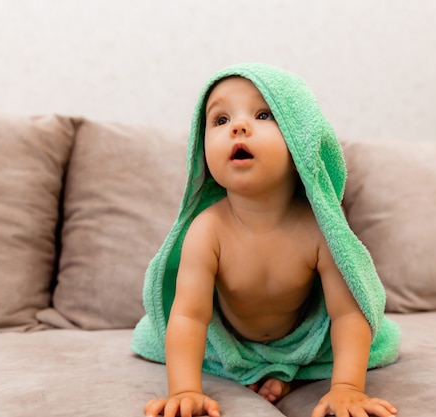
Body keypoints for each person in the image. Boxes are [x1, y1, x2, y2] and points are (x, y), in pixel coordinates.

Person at [131, 63, 401, 417]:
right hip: (230, 342)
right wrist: (184, 390)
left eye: (263, 114)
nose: (239, 127)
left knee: (374, 339)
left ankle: (289, 371)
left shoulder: (317, 229)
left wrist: (347, 388)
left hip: (299, 340)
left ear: (301, 140)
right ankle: (263, 370)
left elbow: (347, 313)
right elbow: (190, 317)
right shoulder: (207, 230)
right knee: (157, 338)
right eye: (221, 120)